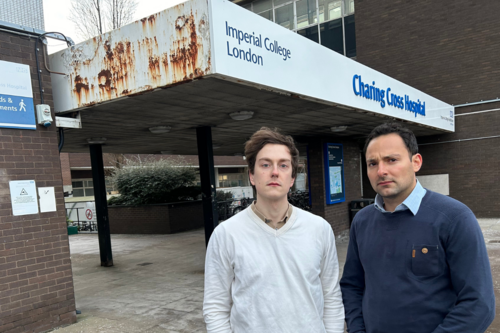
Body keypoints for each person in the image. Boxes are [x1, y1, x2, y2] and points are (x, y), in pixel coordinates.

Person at [340, 122, 495, 333]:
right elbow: (352, 286)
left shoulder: (454, 218)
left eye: (391, 160)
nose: (381, 171)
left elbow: (479, 304)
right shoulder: (362, 220)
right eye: (372, 163)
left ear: (416, 162)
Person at [203, 127, 345, 333]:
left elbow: (331, 297)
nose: (275, 172)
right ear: (251, 175)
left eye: (283, 165)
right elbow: (216, 307)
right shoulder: (226, 234)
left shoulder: (319, 229)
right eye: (265, 164)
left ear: (292, 178)